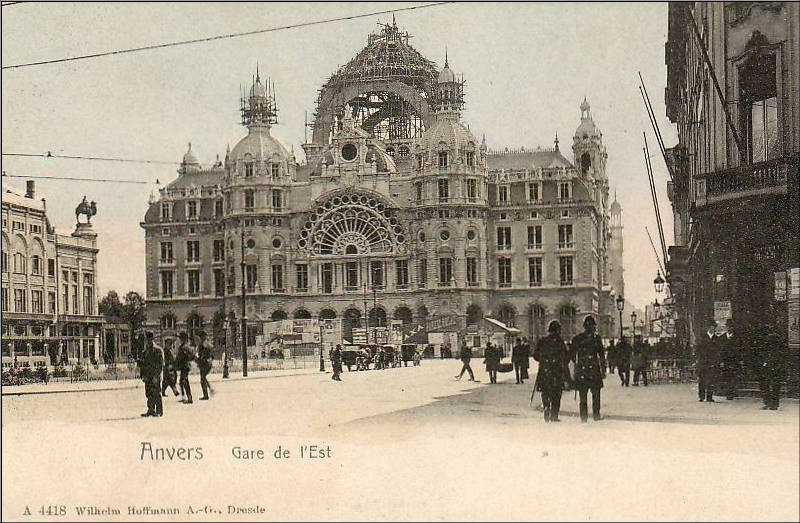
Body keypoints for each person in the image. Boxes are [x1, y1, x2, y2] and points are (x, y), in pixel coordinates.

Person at [570, 316, 607, 422]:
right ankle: (596, 415)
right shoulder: (597, 338)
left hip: (582, 370)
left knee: (583, 395)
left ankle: (584, 417)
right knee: (595, 394)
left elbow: (572, 355)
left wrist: (577, 365)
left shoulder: (577, 338)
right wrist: (603, 370)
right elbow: (601, 356)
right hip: (593, 370)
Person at [533, 321, 570, 422]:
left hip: (544, 371)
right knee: (556, 393)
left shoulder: (542, 341)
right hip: (557, 371)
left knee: (545, 391)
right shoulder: (560, 342)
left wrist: (543, 359)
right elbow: (566, 357)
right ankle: (554, 415)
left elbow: (535, 355)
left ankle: (546, 406)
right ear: (558, 330)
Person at [758, 324, 787, 410]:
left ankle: (769, 403)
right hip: (773, 365)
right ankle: (773, 404)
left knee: (767, 384)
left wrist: (764, 362)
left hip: (769, 365)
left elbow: (767, 353)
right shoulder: (777, 339)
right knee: (774, 385)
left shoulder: (769, 339)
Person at [140, 331, 164, 417]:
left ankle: (159, 411)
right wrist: (142, 375)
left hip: (155, 376)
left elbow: (160, 365)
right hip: (148, 376)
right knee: (148, 393)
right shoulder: (145, 351)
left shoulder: (158, 350)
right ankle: (151, 410)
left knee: (157, 393)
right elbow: (143, 365)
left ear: (152, 339)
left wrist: (157, 376)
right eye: (147, 339)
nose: (148, 341)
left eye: (149, 339)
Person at [696, 321, 720, 402]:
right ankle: (701, 396)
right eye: (711, 327)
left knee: (711, 380)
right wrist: (698, 360)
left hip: (711, 362)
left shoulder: (716, 339)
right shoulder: (702, 338)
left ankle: (709, 397)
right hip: (702, 362)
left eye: (713, 327)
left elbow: (717, 351)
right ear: (708, 327)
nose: (712, 328)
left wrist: (715, 361)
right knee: (702, 380)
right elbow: (698, 350)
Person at [719, 319, 739, 400]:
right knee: (727, 377)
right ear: (726, 327)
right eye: (728, 326)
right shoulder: (722, 338)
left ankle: (733, 392)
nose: (730, 328)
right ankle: (728, 393)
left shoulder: (737, 337)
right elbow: (720, 351)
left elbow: (740, 349)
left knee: (734, 376)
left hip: (734, 360)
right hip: (726, 361)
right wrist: (721, 361)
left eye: (731, 327)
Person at [175, 332, 194, 404]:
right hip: (184, 366)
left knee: (185, 382)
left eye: (181, 338)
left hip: (185, 366)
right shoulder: (185, 346)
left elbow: (181, 357)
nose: (180, 339)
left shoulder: (184, 347)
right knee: (181, 382)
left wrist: (184, 359)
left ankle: (189, 398)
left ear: (184, 339)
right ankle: (184, 397)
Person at [195, 330, 213, 400]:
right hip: (207, 362)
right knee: (203, 377)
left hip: (204, 363)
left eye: (201, 336)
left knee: (202, 379)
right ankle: (210, 389)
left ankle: (206, 395)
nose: (200, 338)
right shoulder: (208, 343)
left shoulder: (203, 344)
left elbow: (202, 354)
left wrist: (198, 359)